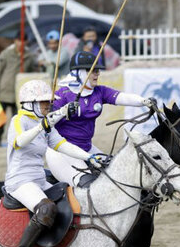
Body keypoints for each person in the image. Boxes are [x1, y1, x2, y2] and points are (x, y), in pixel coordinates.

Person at [4, 79, 104, 247]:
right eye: (43, 102)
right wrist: (42, 125)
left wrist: (90, 157)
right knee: (47, 209)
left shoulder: (45, 124)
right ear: (30, 103)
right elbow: (19, 142)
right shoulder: (19, 121)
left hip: (39, 179)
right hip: (19, 181)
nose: (48, 105)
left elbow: (62, 145)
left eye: (48, 102)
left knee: (72, 199)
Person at [45, 50, 155, 187]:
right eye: (94, 70)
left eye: (98, 70)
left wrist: (144, 101)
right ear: (80, 72)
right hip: (61, 151)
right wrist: (63, 111)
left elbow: (122, 97)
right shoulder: (62, 94)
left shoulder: (99, 91)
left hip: (86, 147)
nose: (98, 73)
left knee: (118, 173)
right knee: (87, 185)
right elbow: (47, 123)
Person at [0, 32, 37, 146]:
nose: (20, 43)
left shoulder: (29, 56)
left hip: (19, 93)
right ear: (14, 41)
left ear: (26, 41)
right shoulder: (6, 54)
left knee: (18, 119)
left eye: (23, 40)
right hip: (4, 90)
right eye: (18, 40)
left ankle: (16, 139)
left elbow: (32, 73)